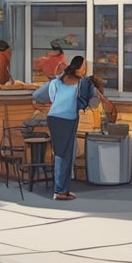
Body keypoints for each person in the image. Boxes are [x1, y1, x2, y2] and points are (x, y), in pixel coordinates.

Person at [44, 56, 115, 201]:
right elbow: (91, 102)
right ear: (78, 68)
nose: (85, 70)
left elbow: (52, 97)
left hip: (54, 117)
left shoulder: (58, 81)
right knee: (63, 155)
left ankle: (63, 189)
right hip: (67, 119)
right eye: (84, 67)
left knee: (64, 153)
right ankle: (59, 191)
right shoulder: (82, 83)